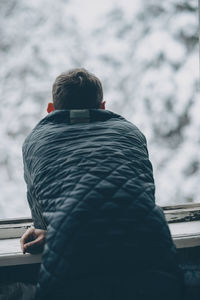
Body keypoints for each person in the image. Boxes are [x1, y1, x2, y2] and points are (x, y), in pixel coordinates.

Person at [21, 68, 183, 300]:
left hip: (73, 252)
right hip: (150, 243)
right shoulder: (130, 132)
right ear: (103, 106)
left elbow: (43, 222)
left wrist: (47, 227)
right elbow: (144, 193)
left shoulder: (36, 141)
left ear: (50, 110)